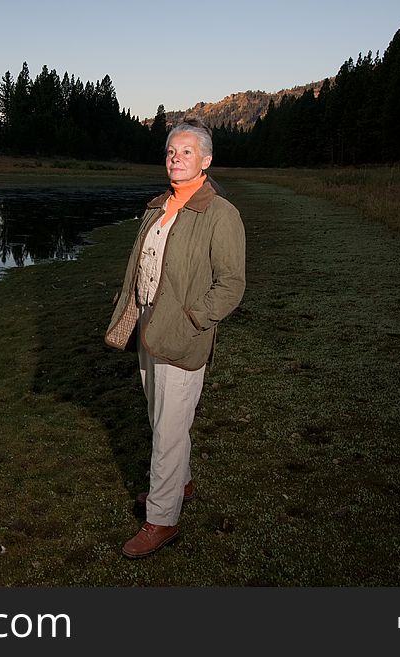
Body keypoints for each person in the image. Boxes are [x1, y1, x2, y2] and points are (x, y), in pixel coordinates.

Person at [104, 119, 246, 558]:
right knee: (159, 415)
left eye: (186, 152)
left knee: (167, 429)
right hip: (149, 325)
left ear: (205, 160)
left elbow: (231, 284)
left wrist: (192, 320)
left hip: (182, 332)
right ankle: (179, 482)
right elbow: (140, 265)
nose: (176, 159)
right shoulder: (157, 206)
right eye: (171, 152)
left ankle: (161, 520)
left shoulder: (221, 214)